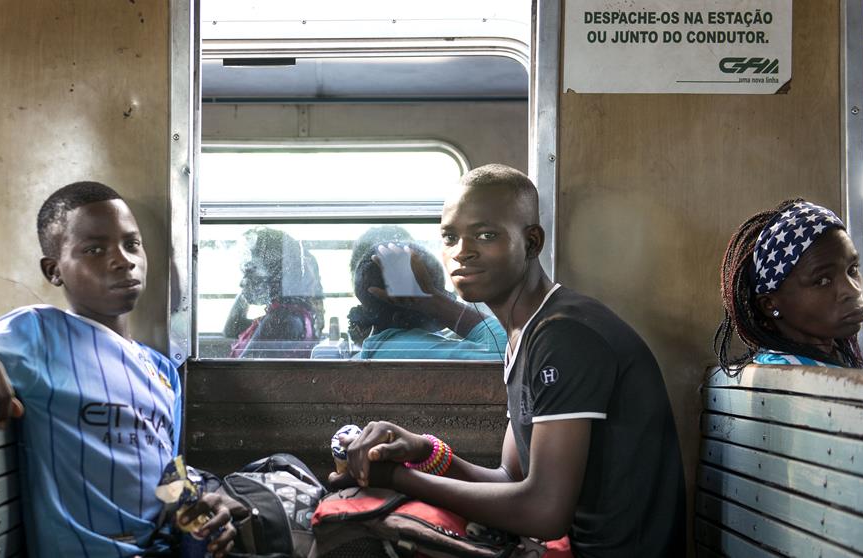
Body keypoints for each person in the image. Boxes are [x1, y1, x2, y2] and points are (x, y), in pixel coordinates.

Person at [333, 164, 686, 558]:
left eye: (485, 235)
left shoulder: (565, 336)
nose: (461, 251)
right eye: (449, 237)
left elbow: (544, 512)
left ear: (532, 242)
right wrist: (420, 451)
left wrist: (399, 479)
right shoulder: (525, 334)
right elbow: (509, 478)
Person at [0, 182, 244, 557]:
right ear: (54, 271)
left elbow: (167, 479)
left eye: (132, 244)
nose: (123, 260)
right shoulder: (40, 334)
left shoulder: (162, 370)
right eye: (95, 250)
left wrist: (201, 508)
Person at [715, 198, 863, 370]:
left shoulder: (823, 365)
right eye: (822, 281)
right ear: (769, 304)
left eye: (852, 269)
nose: (853, 290)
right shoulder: (798, 376)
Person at [349, 241, 506, 360]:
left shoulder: (386, 346)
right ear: (401, 318)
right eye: (435, 291)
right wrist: (435, 302)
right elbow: (511, 350)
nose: (447, 297)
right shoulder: (408, 348)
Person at [224, 227, 325, 358]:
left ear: (276, 273)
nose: (242, 282)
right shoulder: (288, 314)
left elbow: (244, 370)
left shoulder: (282, 321)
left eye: (251, 271)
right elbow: (231, 329)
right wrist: (247, 289)